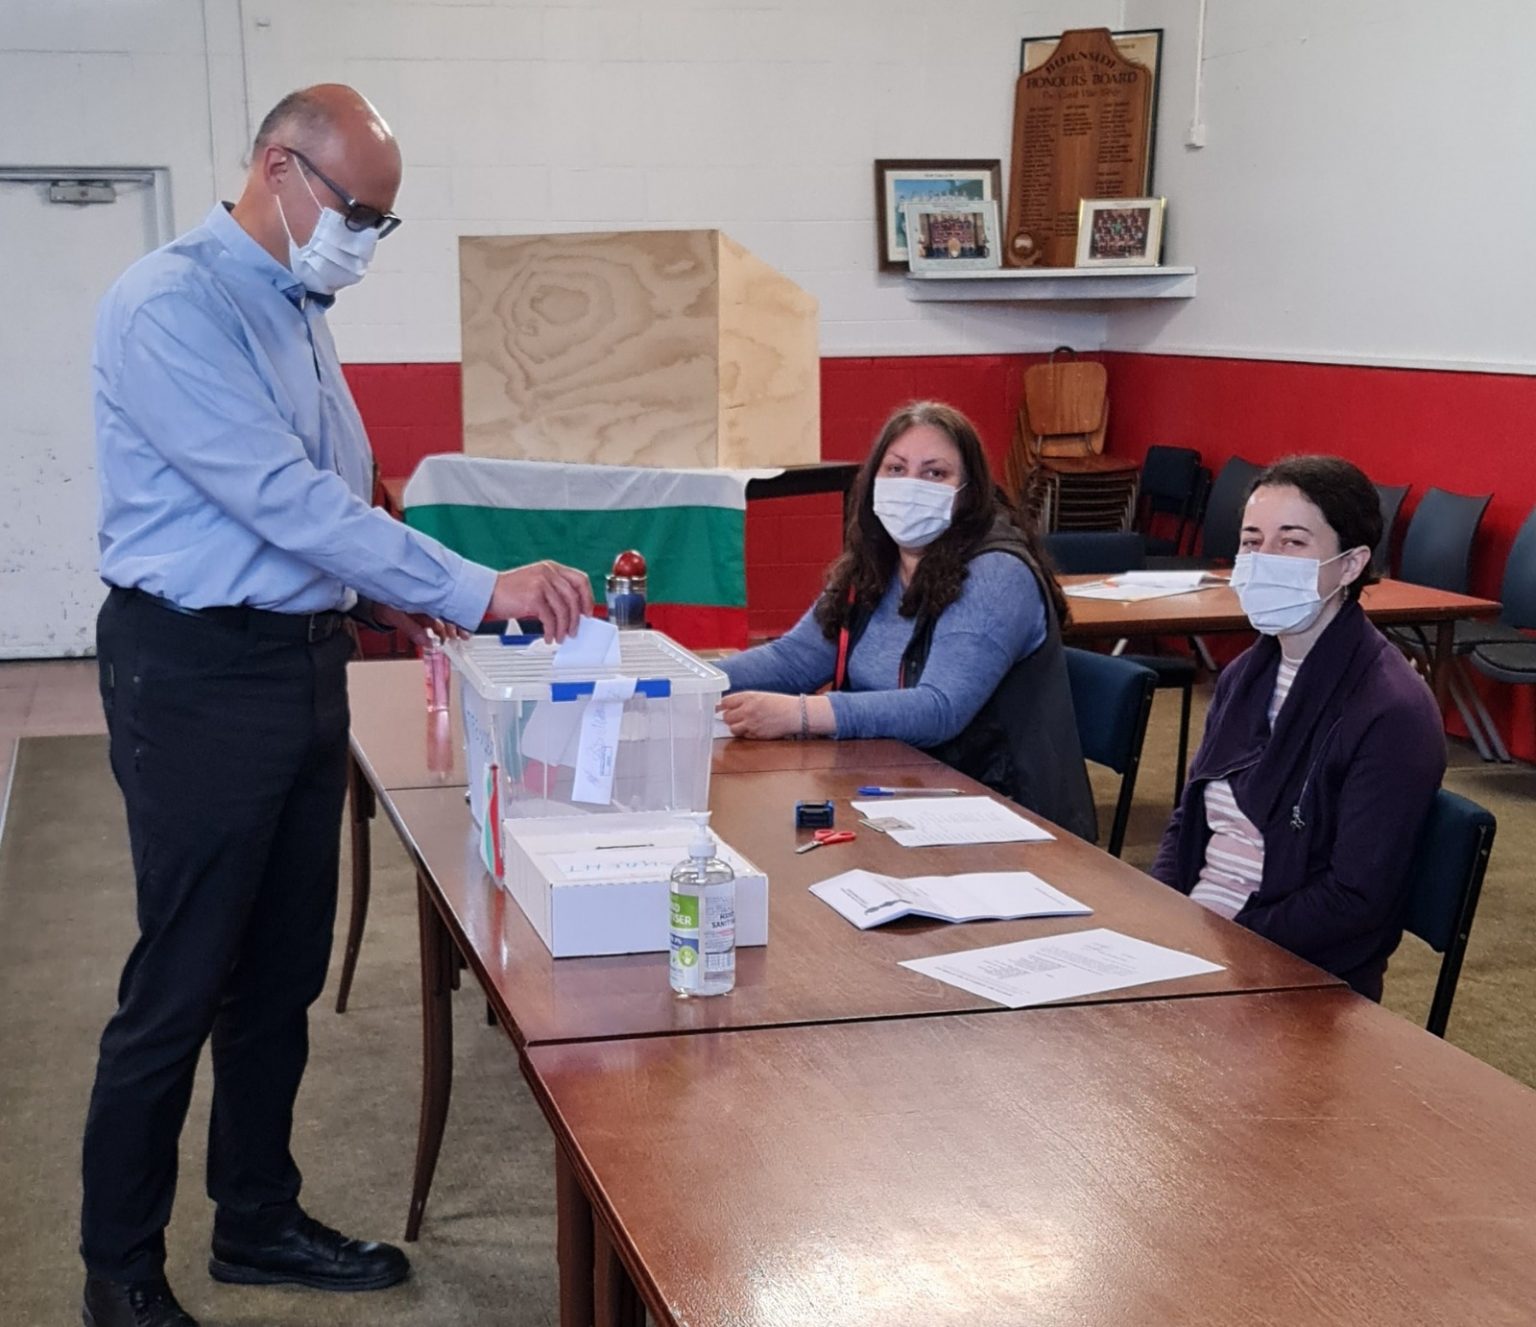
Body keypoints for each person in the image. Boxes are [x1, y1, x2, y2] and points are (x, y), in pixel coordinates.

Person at [82, 85, 592, 1327]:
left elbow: (338, 496)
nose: (362, 237)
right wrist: (472, 587)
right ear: (277, 168)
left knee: (280, 972)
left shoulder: (294, 309)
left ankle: (255, 1217)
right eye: (354, 209)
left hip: (299, 665)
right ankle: (120, 1272)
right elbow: (280, 499)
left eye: (380, 220)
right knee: (182, 979)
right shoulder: (172, 306)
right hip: (198, 672)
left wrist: (388, 600)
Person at [719, 401, 1096, 841]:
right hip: (897, 790)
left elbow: (939, 708)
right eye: (896, 469)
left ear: (969, 491)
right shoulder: (876, 561)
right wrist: (686, 677)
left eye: (935, 473)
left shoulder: (997, 573)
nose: (911, 485)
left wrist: (800, 714)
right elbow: (795, 659)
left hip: (1004, 819)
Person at [1151, 454, 1446, 999]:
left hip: (1290, 973)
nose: (1264, 559)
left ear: (1351, 565)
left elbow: (1354, 899)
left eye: (1292, 542)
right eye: (1252, 541)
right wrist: (1159, 916)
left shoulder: (1391, 710)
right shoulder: (1245, 675)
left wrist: (1219, 945)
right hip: (1197, 940)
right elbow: (1188, 820)